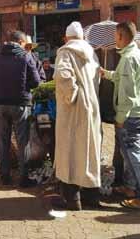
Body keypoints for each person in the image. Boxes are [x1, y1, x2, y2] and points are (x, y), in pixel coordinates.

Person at [101, 22, 140, 211]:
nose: (115, 39)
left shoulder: (130, 58)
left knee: (134, 156)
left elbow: (129, 94)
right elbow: (121, 78)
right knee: (130, 155)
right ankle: (131, 188)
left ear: (121, 36)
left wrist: (120, 118)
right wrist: (105, 73)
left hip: (132, 115)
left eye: (116, 35)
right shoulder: (136, 55)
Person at [53, 21, 102, 211]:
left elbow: (63, 75)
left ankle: (72, 199)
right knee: (89, 151)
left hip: (73, 108)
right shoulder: (92, 53)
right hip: (91, 105)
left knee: (70, 151)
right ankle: (92, 197)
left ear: (67, 37)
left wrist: (71, 96)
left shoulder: (65, 52)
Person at [0, 30, 41, 187]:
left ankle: (5, 176)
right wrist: (24, 87)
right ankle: (24, 178)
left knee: (3, 141)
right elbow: (36, 82)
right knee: (23, 142)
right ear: (21, 42)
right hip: (20, 105)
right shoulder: (25, 56)